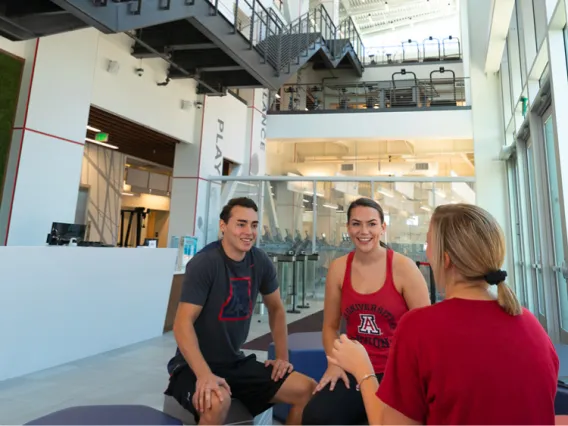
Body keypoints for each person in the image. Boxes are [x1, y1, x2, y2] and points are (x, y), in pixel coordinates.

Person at [328, 203, 559, 425]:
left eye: (428, 244)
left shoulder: (419, 327)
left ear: (446, 260)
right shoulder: (531, 323)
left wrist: (363, 369)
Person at [165, 197, 317, 425]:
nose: (249, 231)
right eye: (241, 224)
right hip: (191, 365)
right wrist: (204, 375)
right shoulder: (205, 263)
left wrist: (282, 358)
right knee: (216, 401)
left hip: (234, 362)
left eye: (254, 225)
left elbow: (276, 308)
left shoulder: (260, 261)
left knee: (306, 389)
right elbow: (182, 324)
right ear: (223, 226)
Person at [302, 197, 431, 425]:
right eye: (356, 224)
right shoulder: (339, 268)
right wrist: (334, 363)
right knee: (316, 416)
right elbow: (330, 325)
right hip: (353, 368)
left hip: (396, 373)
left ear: (383, 228)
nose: (364, 231)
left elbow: (428, 330)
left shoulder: (404, 268)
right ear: (348, 228)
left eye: (371, 224)